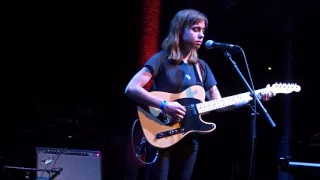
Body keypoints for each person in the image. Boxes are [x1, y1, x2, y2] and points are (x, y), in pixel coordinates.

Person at [124, 8, 273, 180]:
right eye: (195, 29)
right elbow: (132, 88)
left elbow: (220, 104)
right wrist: (165, 105)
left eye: (203, 30)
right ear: (180, 30)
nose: (201, 35)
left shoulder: (202, 67)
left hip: (189, 138)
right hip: (161, 133)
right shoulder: (161, 59)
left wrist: (255, 96)